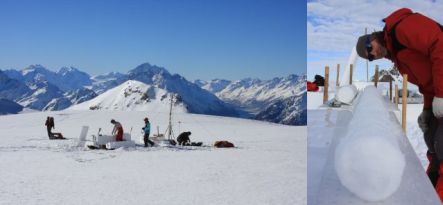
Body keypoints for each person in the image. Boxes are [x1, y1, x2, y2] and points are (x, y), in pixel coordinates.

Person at [355, 8, 443, 200]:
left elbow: (439, 41)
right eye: (369, 57)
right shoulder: (397, 56)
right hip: (437, 94)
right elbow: (426, 82)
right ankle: (432, 187)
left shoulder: (402, 28)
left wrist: (441, 95)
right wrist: (428, 108)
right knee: (431, 138)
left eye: (369, 48)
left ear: (373, 38)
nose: (373, 54)